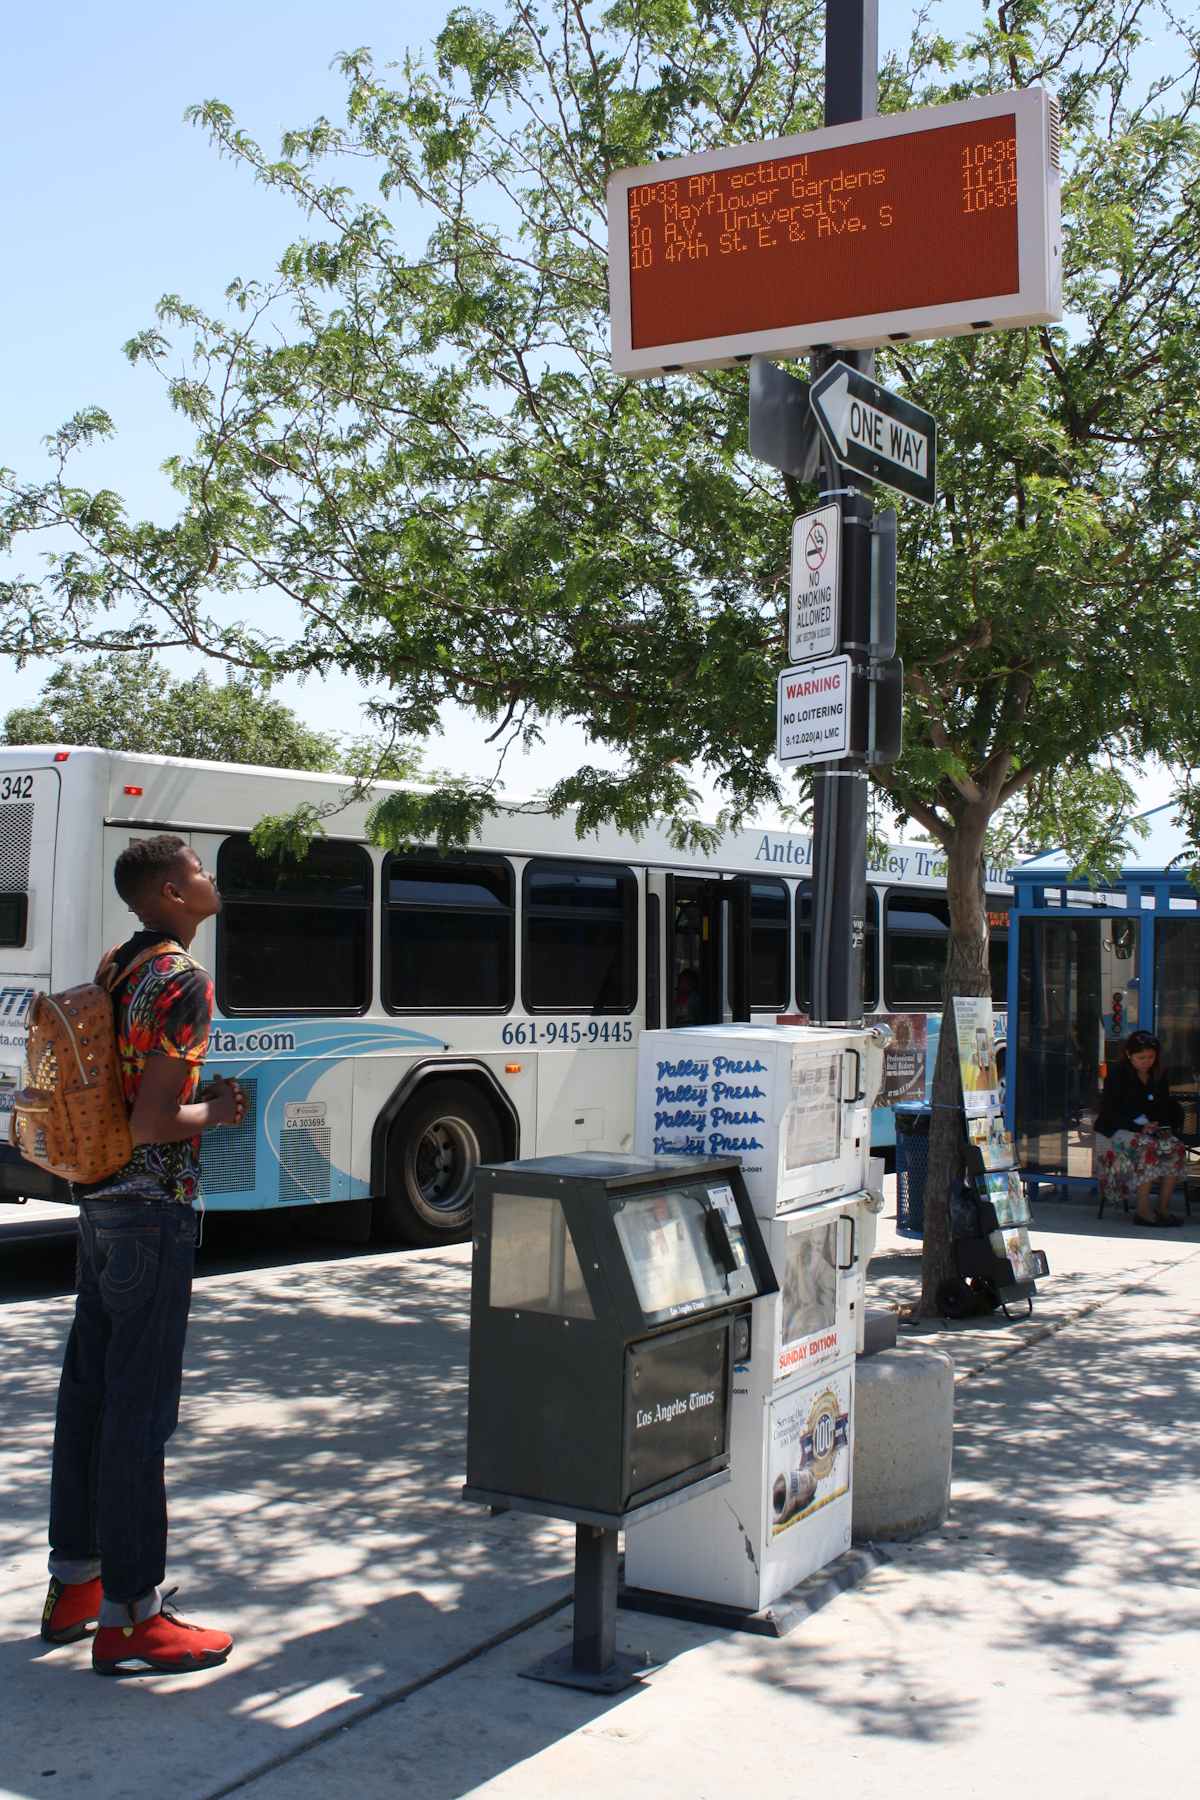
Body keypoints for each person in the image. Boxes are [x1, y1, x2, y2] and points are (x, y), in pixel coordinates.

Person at [40, 835, 248, 1674]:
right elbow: (155, 1122)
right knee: (138, 1414)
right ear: (171, 891)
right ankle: (135, 1618)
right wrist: (222, 1113)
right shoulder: (183, 982)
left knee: (88, 1399)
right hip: (152, 1208)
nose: (209, 878)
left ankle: (76, 1587)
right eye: (199, 869)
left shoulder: (121, 964)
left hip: (98, 1206)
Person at [1093, 1031, 1186, 1227]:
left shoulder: (1158, 1077)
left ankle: (1162, 1208)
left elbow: (1163, 1110)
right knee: (1147, 1148)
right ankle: (1143, 1210)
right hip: (1115, 1130)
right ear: (1129, 1054)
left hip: (1146, 1130)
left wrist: (1164, 1128)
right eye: (1141, 1058)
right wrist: (1140, 1128)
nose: (1147, 1062)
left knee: (1175, 1147)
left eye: (1151, 1057)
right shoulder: (1117, 1075)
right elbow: (1111, 1113)